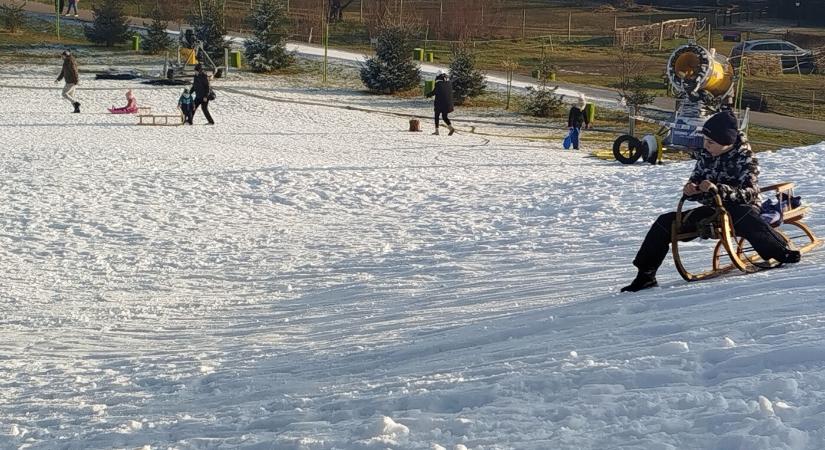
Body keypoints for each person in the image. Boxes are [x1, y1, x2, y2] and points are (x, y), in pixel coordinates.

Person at [621, 110, 801, 292]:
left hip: (740, 207)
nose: (705, 146)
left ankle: (780, 251)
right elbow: (696, 180)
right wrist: (691, 190)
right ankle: (645, 276)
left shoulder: (745, 158)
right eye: (705, 141)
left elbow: (749, 193)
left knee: (745, 216)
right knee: (665, 222)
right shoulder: (706, 156)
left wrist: (719, 189)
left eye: (710, 142)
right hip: (713, 209)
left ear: (727, 143)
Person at [426, 70, 455, 136]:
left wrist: (428, 95)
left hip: (440, 103)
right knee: (444, 116)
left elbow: (434, 92)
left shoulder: (438, 83)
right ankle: (450, 128)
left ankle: (437, 131)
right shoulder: (449, 82)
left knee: (437, 116)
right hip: (448, 103)